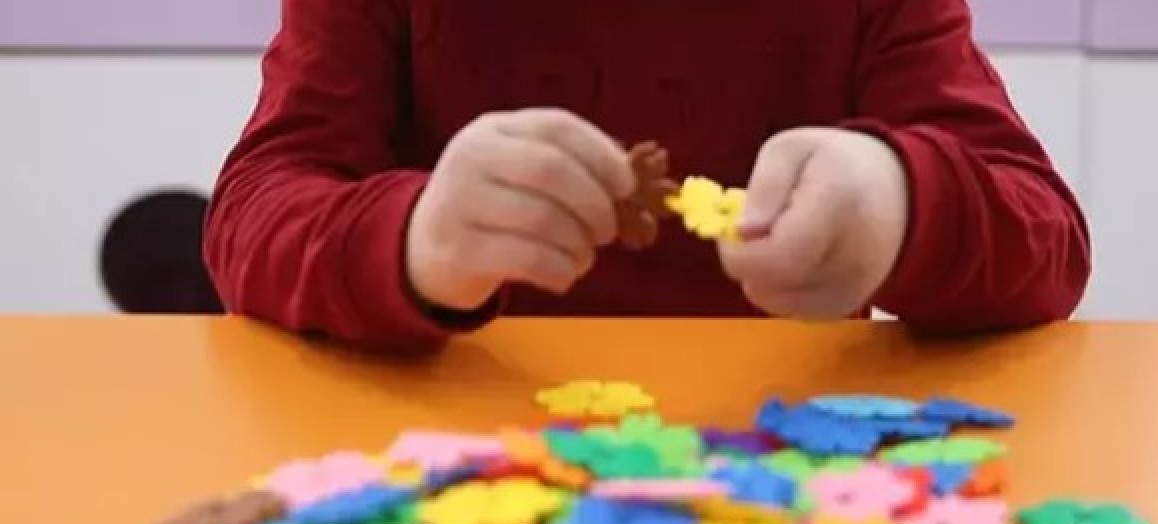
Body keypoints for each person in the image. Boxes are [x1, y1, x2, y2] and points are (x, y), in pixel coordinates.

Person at [204, 0, 1090, 351]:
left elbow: (1045, 236)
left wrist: (899, 200)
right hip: (444, 460)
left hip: (780, 477)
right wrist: (412, 241)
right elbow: (258, 204)